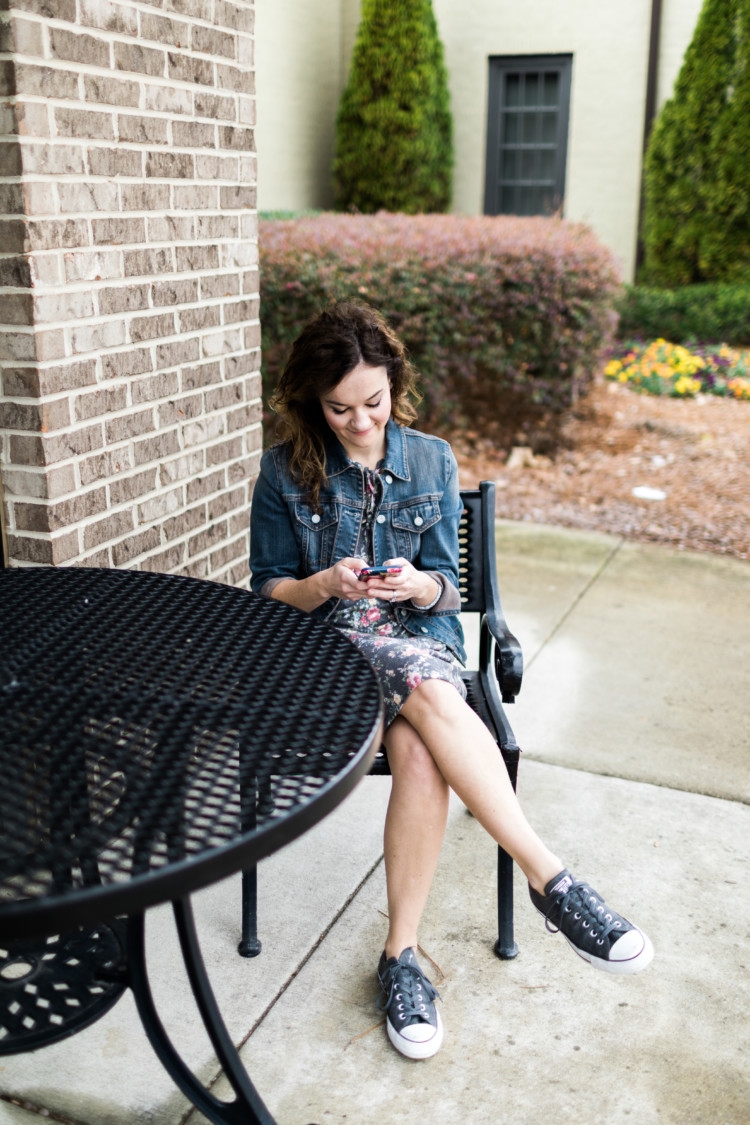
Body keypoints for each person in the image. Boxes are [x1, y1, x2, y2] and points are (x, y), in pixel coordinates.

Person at [249, 301, 653, 1061]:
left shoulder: (431, 460)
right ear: (312, 400)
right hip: (327, 655)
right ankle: (552, 881)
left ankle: (400, 959)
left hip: (413, 646)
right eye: (339, 408)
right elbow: (266, 590)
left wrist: (414, 587)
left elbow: (449, 591)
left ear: (394, 385)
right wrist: (326, 584)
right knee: (435, 697)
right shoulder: (283, 470)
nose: (361, 422)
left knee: (425, 748)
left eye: (375, 402)